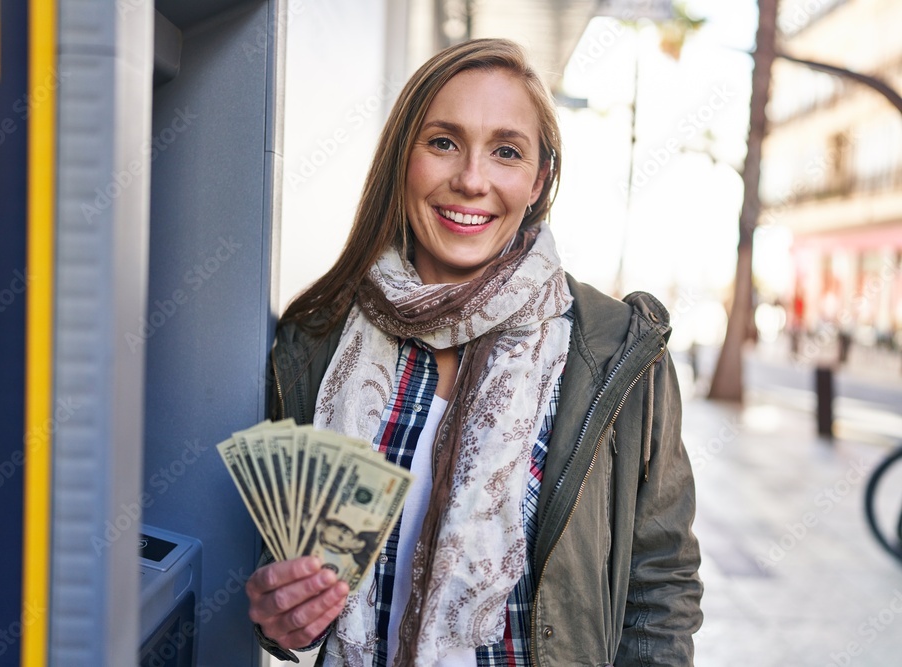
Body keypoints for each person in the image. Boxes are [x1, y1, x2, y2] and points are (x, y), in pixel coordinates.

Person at [246, 38, 702, 666]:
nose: (471, 179)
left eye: (507, 152)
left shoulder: (615, 350)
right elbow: (280, 571)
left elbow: (660, 591)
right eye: (442, 142)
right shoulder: (317, 342)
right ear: (402, 158)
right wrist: (280, 616)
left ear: (540, 179)